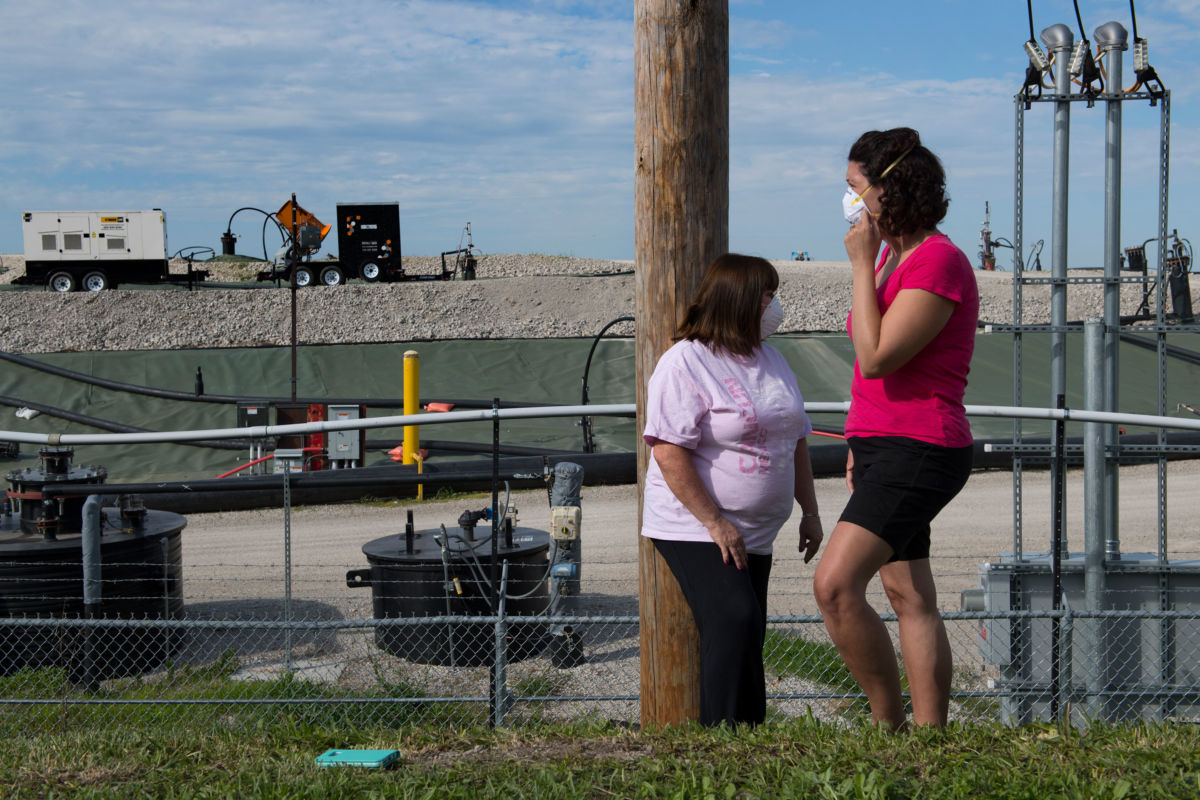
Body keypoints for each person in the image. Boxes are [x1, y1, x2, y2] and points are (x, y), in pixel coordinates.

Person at [813, 127, 978, 729]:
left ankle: (888, 725)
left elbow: (878, 355)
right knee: (909, 597)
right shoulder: (895, 253)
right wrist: (861, 443)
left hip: (922, 446)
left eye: (856, 188)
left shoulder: (938, 260)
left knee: (834, 586)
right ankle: (931, 735)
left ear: (890, 189)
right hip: (885, 444)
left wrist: (859, 264)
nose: (851, 200)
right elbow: (869, 372)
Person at [641, 252, 824, 727]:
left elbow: (797, 437)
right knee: (734, 619)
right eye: (766, 295)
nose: (774, 304)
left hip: (756, 531)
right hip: (695, 526)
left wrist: (810, 510)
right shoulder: (686, 361)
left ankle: (749, 734)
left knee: (749, 631)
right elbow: (667, 450)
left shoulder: (774, 360)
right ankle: (719, 739)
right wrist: (715, 522)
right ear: (739, 300)